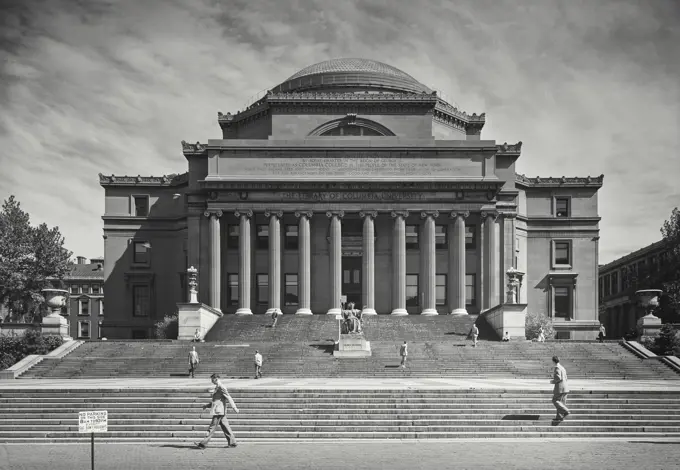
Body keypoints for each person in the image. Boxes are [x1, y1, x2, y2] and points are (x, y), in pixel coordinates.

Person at [196, 373, 239, 448]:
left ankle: (203, 443)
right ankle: (232, 442)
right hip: (219, 410)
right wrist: (207, 405)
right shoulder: (217, 387)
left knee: (212, 427)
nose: (211, 381)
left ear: (216, 379)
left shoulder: (221, 387)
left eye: (212, 379)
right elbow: (217, 400)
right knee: (226, 427)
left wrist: (234, 407)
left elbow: (228, 397)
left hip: (219, 411)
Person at [550, 355, 571, 422]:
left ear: (553, 361)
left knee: (555, 400)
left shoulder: (557, 368)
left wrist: (552, 381)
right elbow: (566, 378)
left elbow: (558, 378)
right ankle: (559, 417)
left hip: (560, 387)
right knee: (561, 402)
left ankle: (566, 410)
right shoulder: (562, 367)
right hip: (565, 387)